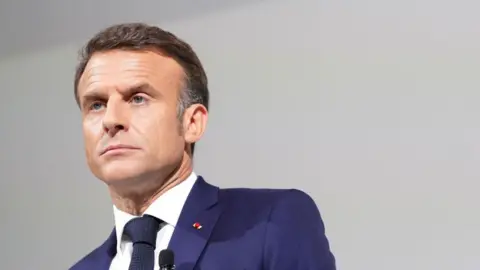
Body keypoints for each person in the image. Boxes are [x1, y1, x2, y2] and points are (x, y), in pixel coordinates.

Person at [69, 22, 336, 270]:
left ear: (192, 122)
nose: (111, 120)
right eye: (96, 104)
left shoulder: (272, 223)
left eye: (138, 99)